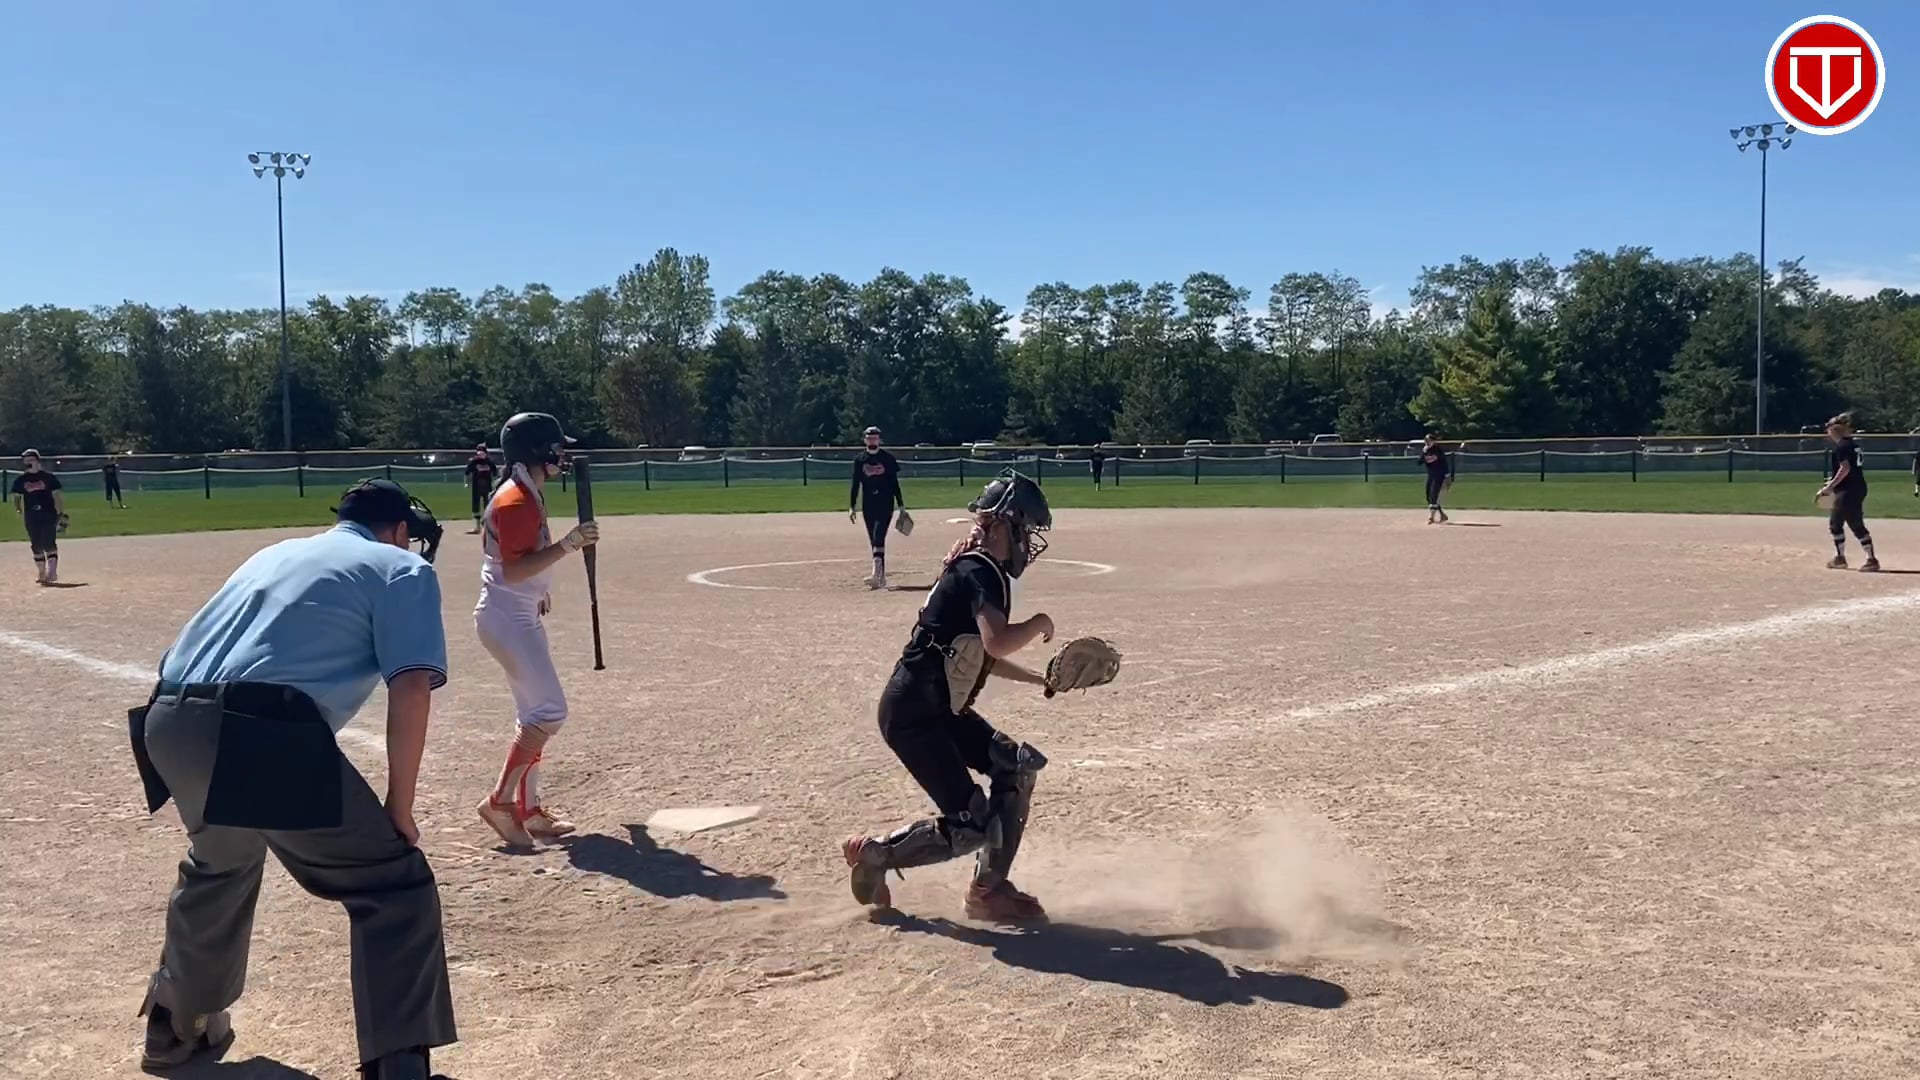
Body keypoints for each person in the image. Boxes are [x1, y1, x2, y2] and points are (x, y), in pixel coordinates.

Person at [127, 478, 456, 1079]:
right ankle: (398, 1067)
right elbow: (411, 686)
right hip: (259, 731)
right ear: (399, 531)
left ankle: (174, 1025)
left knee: (221, 862)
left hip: (167, 720)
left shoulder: (274, 552)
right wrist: (399, 805)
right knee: (394, 886)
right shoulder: (401, 567)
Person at [842, 468, 1058, 924]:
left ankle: (989, 890)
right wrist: (1039, 622)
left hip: (938, 708)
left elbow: (978, 655)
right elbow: (996, 642)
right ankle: (877, 855)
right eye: (1025, 529)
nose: (1029, 541)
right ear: (1005, 525)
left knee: (1017, 766)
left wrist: (1040, 679)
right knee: (970, 825)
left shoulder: (978, 568)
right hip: (915, 715)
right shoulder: (980, 571)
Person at [474, 412, 600, 849]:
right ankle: (500, 801)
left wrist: (539, 589)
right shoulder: (516, 500)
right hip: (507, 617)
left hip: (516, 613)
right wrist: (569, 544)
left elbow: (518, 566)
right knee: (549, 713)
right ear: (537, 451)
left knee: (534, 715)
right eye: (556, 447)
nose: (562, 455)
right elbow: (513, 571)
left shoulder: (525, 492)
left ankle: (528, 808)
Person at [1818, 414, 1878, 571]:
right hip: (1856, 487)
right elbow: (1848, 469)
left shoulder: (1842, 446)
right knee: (1843, 522)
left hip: (1848, 490)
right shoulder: (1852, 444)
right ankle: (1843, 558)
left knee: (1843, 523)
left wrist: (1830, 486)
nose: (1828, 432)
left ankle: (1868, 560)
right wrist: (1833, 482)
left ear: (1835, 430)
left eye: (1829, 429)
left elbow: (1845, 469)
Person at [849, 425, 905, 588]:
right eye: (869, 438)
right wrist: (852, 506)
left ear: (879, 440)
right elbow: (855, 484)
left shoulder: (888, 459)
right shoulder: (860, 460)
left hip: (885, 503)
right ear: (865, 440)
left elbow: (894, 483)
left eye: (875, 437)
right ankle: (881, 578)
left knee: (878, 536)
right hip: (868, 504)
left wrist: (901, 504)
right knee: (874, 541)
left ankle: (876, 575)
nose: (872, 440)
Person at [10, 449, 66, 584]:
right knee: (36, 544)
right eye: (26, 460)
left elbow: (57, 496)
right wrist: (18, 508)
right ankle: (41, 572)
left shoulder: (48, 477)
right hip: (31, 515)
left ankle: (52, 571)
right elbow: (17, 496)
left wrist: (60, 513)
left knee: (49, 542)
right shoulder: (21, 480)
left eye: (30, 460)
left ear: (37, 460)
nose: (27, 463)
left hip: (48, 513)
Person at [463, 443, 498, 533]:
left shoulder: (489, 462)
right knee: (476, 507)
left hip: (488, 488)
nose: (481, 453)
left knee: (488, 506)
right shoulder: (474, 462)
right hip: (476, 487)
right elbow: (467, 473)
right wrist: (467, 483)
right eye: (479, 451)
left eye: (482, 451)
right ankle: (477, 527)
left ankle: (487, 526)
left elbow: (495, 473)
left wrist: (495, 483)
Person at [1420, 434, 1453, 524]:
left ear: (1433, 441)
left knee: (1434, 495)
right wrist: (1424, 453)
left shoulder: (1438, 450)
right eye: (1426, 440)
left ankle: (1431, 517)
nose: (1427, 442)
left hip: (1439, 476)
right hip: (1431, 475)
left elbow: (1444, 464)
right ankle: (1442, 515)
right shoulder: (1425, 450)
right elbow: (1419, 462)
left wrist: (1447, 476)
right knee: (1429, 497)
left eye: (1429, 440)